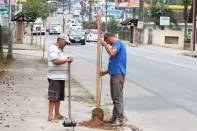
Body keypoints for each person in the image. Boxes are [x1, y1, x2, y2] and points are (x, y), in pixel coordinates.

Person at [100, 33, 127, 126]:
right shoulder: (115, 45)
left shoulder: (117, 44)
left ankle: (120, 119)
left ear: (109, 38)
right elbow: (115, 63)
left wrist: (105, 45)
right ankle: (114, 117)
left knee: (117, 97)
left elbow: (112, 53)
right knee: (114, 97)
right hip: (114, 74)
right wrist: (105, 72)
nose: (109, 44)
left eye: (108, 41)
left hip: (118, 75)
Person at [47, 34, 73, 122]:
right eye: (65, 42)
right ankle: (50, 116)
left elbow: (61, 58)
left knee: (59, 97)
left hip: (60, 77)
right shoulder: (53, 48)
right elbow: (55, 61)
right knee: (53, 96)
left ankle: (57, 114)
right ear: (60, 40)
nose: (65, 44)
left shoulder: (60, 49)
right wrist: (66, 60)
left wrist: (67, 58)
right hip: (55, 77)